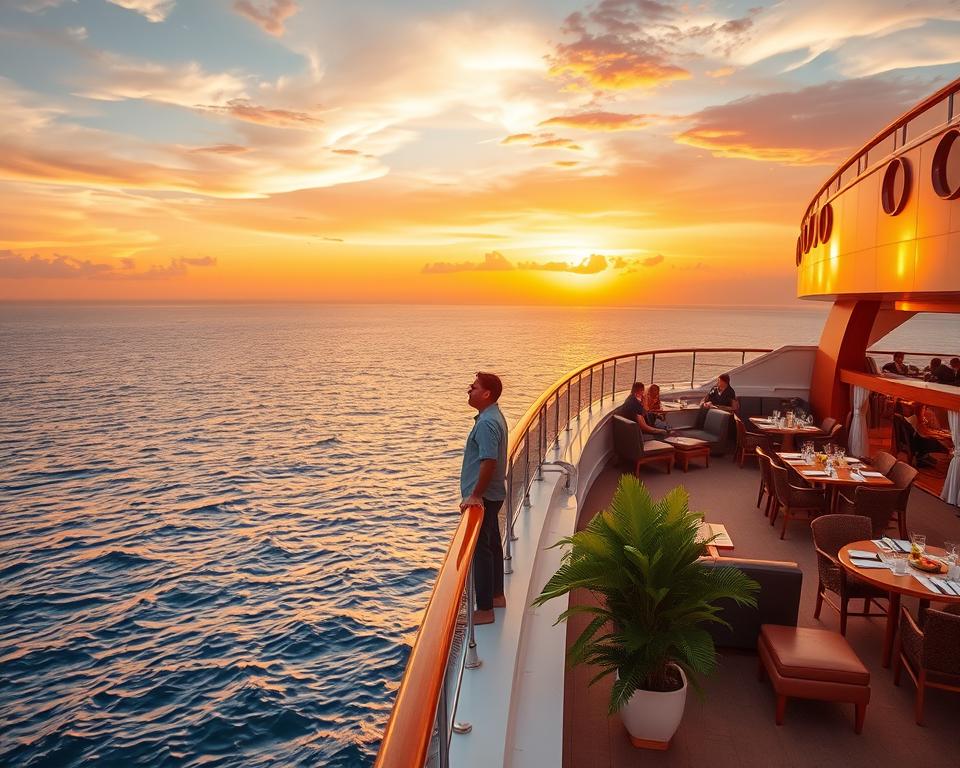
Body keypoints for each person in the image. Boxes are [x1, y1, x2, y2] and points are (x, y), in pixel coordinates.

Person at [460, 371, 508, 626]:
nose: (469, 390)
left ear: (487, 393)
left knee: (481, 550)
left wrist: (475, 495)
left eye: (474, 387)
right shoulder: (492, 416)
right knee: (492, 543)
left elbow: (489, 461)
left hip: (486, 497)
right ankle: (497, 596)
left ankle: (485, 609)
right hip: (493, 494)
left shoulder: (487, 423)